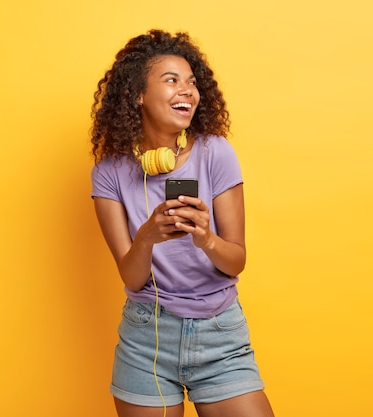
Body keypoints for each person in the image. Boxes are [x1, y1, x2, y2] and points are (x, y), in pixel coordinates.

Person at [90, 29, 274, 417]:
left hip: (220, 333)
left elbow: (236, 261)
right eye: (172, 80)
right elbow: (131, 276)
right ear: (138, 94)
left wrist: (206, 238)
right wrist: (146, 238)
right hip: (147, 337)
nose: (187, 91)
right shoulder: (109, 172)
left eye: (192, 82)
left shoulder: (216, 153)